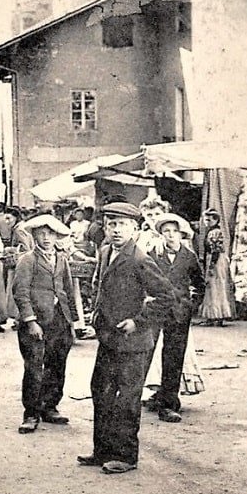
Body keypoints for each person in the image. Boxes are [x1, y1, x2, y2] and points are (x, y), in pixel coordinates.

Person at [77, 202, 172, 475]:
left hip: (133, 343)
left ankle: (126, 455)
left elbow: (166, 297)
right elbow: (101, 286)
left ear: (134, 228)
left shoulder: (140, 259)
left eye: (122, 225)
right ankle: (102, 450)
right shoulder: (106, 251)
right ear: (104, 227)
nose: (116, 230)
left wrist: (138, 321)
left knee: (127, 399)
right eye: (111, 224)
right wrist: (95, 314)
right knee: (101, 391)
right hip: (108, 338)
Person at [13, 215, 78, 434]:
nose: (46, 238)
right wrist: (31, 321)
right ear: (35, 236)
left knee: (57, 364)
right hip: (37, 321)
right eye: (41, 233)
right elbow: (20, 292)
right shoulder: (28, 260)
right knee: (34, 367)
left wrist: (74, 321)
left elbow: (68, 291)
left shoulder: (62, 259)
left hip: (60, 319)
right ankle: (31, 413)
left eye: (50, 234)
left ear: (57, 236)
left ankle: (50, 406)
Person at [143, 213, 205, 423]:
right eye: (166, 231)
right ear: (160, 234)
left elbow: (199, 284)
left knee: (174, 356)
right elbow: (142, 279)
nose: (170, 235)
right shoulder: (152, 253)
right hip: (155, 310)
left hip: (179, 312)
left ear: (182, 234)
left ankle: (169, 404)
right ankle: (133, 400)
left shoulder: (189, 256)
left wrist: (190, 305)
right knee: (145, 351)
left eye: (174, 231)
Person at [198, 208, 235, 326]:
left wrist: (211, 266)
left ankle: (216, 316)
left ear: (215, 220)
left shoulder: (214, 232)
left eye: (209, 220)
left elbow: (215, 250)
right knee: (215, 287)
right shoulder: (213, 231)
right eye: (205, 219)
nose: (206, 222)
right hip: (216, 259)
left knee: (214, 286)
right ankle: (215, 315)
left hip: (216, 260)